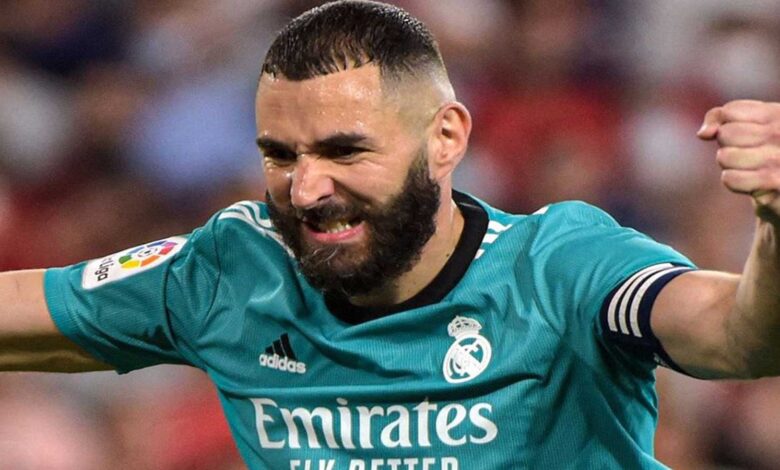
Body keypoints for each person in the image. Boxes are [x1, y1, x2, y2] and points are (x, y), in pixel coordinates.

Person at [1, 1, 779, 468]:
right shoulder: (234, 270)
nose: (306, 189)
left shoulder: (561, 268)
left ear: (446, 137)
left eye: (345, 151)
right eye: (280, 155)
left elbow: (741, 337)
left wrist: (775, 224)